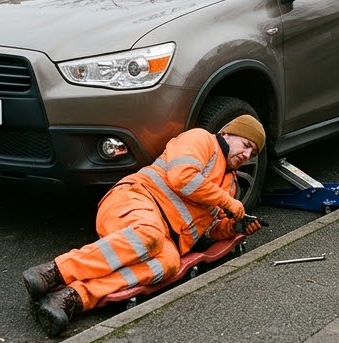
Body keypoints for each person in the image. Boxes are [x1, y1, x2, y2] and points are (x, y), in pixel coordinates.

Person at [22, 115, 266, 337]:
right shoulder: (202, 140)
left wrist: (235, 228)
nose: (246, 155)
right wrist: (227, 202)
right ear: (226, 134)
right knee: (149, 235)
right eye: (246, 145)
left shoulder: (229, 184)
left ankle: (71, 298)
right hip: (135, 199)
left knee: (168, 264)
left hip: (164, 236)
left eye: (252, 153)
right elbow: (183, 178)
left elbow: (208, 229)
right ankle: (54, 272)